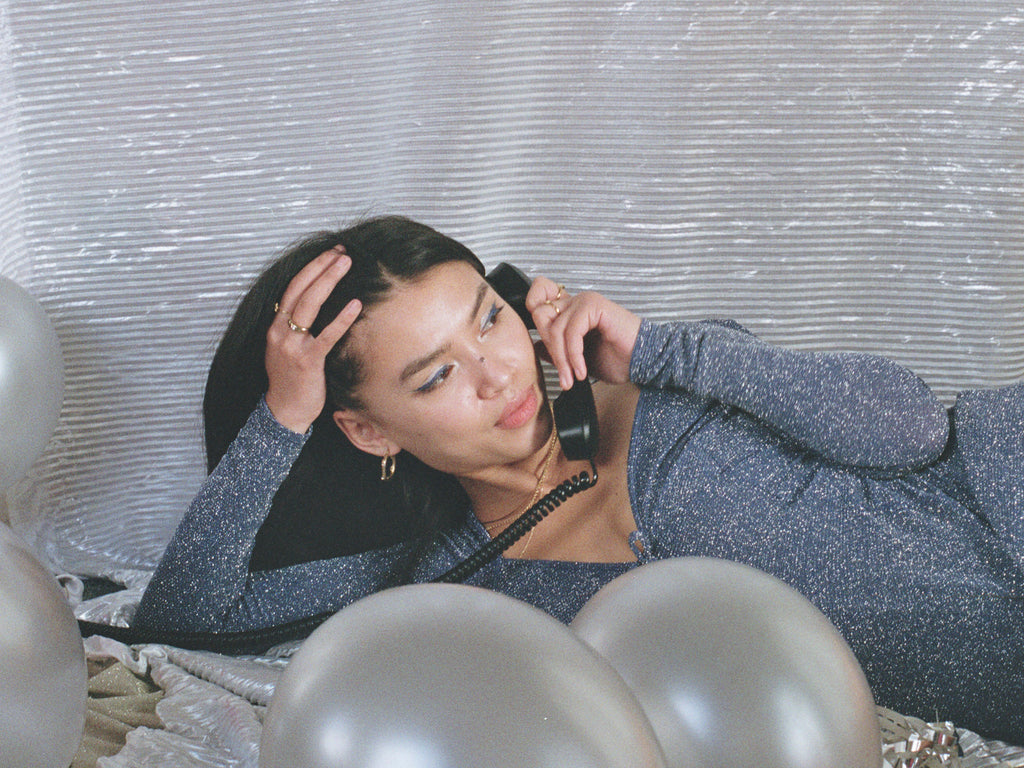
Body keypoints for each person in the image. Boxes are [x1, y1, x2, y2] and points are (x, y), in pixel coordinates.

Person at [134, 215, 1024, 743]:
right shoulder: (448, 585)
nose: (497, 374)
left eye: (489, 319)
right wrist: (282, 418)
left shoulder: (660, 375)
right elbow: (182, 622)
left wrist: (663, 349)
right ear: (368, 431)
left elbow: (914, 428)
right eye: (437, 376)